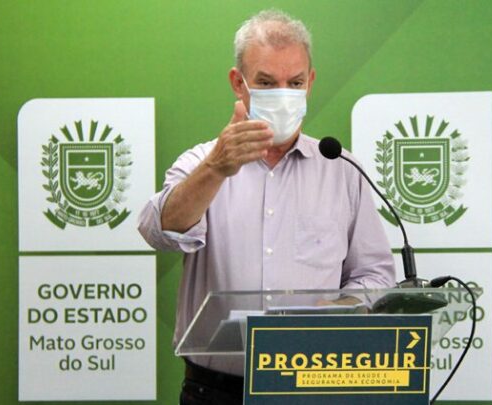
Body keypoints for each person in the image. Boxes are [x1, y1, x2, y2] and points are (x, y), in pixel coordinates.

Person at [138, 9, 395, 405]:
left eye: (295, 83)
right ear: (238, 83)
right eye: (266, 82)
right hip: (216, 391)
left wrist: (336, 310)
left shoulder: (342, 168)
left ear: (310, 83)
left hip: (316, 384)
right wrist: (216, 169)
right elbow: (159, 231)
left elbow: (375, 274)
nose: (283, 94)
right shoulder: (201, 162)